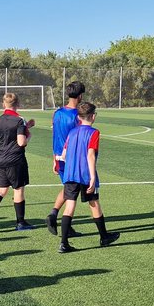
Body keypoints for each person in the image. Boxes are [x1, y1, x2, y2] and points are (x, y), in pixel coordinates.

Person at [57, 102, 120, 254]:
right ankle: (104, 236)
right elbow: (90, 155)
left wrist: (61, 158)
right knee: (94, 203)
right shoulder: (94, 133)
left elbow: (64, 154)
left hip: (70, 174)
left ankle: (64, 243)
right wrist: (92, 177)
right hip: (85, 174)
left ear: (78, 117)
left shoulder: (72, 132)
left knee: (70, 205)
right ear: (93, 116)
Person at [0, 92, 35, 233]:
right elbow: (21, 142)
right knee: (18, 189)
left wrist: (26, 127)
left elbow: (9, 133)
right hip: (15, 159)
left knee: (1, 190)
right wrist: (29, 135)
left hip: (1, 158)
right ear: (18, 104)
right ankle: (21, 222)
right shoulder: (19, 120)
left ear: (4, 104)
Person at [46, 81, 86, 236]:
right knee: (72, 191)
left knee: (68, 188)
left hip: (58, 156)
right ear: (80, 95)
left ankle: (53, 214)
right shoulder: (77, 115)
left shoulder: (57, 113)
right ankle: (65, 226)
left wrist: (53, 158)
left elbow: (55, 135)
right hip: (71, 158)